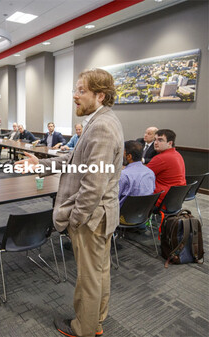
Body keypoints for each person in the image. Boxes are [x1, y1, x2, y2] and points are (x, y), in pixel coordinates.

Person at [16, 68, 123, 337]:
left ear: (100, 95)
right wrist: (39, 164)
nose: (74, 96)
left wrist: (75, 219)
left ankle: (83, 328)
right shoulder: (100, 121)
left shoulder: (102, 127)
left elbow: (93, 185)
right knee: (98, 273)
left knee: (89, 278)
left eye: (81, 90)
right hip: (99, 216)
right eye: (75, 89)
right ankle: (95, 322)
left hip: (91, 218)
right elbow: (73, 161)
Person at [146, 129, 186, 207]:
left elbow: (142, 175)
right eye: (155, 140)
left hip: (160, 201)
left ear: (169, 143)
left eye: (160, 140)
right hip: (175, 200)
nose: (156, 143)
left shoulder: (161, 158)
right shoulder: (177, 154)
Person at [119, 140, 155, 208]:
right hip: (142, 215)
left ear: (129, 156)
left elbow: (114, 199)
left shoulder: (123, 175)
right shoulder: (150, 173)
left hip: (122, 216)